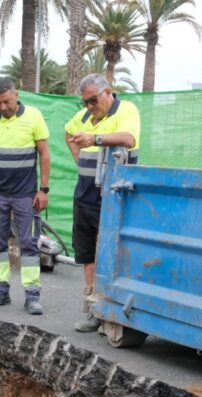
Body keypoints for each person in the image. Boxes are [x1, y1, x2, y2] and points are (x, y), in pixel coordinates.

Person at [64, 73, 140, 332]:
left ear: (109, 92)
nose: (89, 107)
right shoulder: (85, 116)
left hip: (113, 198)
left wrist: (95, 139)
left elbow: (128, 139)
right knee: (87, 254)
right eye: (85, 102)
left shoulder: (126, 110)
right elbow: (68, 132)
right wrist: (79, 157)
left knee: (112, 253)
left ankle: (115, 310)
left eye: (93, 100)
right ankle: (94, 310)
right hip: (84, 195)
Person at [0, 77, 51, 315]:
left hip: (25, 194)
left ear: (16, 95)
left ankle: (32, 295)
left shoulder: (34, 116)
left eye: (6, 101)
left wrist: (43, 189)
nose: (3, 107)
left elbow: (45, 154)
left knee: (28, 243)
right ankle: (1, 291)